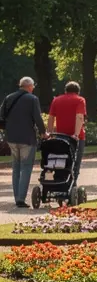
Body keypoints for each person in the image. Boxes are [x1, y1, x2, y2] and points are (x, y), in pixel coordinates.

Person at [0, 77, 46, 207]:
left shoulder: (9, 97)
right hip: (27, 138)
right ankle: (21, 198)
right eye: (33, 86)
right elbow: (37, 118)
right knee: (26, 167)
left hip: (11, 138)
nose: (33, 88)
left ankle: (17, 197)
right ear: (29, 86)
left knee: (16, 167)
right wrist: (43, 132)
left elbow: (1, 115)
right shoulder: (32, 99)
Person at [47, 80, 87, 191]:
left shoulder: (56, 100)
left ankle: (58, 181)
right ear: (78, 91)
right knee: (75, 162)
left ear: (65, 90)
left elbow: (51, 118)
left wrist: (50, 133)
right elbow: (79, 117)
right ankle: (72, 184)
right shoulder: (80, 100)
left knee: (60, 160)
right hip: (75, 137)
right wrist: (76, 134)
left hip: (60, 136)